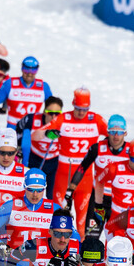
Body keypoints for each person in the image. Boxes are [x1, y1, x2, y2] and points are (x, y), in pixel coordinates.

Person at [48, 88, 108, 235]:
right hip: (63, 177)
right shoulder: (64, 118)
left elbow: (114, 139)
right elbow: (41, 134)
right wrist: (50, 133)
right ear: (73, 104)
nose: (81, 112)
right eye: (78, 109)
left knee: (82, 224)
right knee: (58, 220)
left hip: (85, 179)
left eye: (85, 109)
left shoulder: (96, 119)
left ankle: (79, 255)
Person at [63, 113, 131, 232]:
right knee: (90, 236)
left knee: (119, 241)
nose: (116, 136)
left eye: (120, 132)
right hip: (98, 200)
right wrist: (70, 191)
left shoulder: (131, 151)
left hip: (120, 202)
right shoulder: (97, 148)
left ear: (125, 133)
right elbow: (82, 168)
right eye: (112, 131)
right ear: (107, 132)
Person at [0, 56, 52, 134]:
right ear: (22, 68)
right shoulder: (10, 84)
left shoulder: (43, 87)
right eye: (26, 69)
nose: (29, 73)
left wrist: (47, 126)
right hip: (12, 130)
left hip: (32, 130)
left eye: (33, 70)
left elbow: (53, 109)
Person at [15, 96, 63, 189]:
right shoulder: (31, 119)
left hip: (54, 162)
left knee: (50, 196)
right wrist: (19, 147)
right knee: (32, 189)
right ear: (44, 112)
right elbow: (18, 128)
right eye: (50, 113)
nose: (53, 117)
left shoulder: (64, 123)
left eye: (57, 114)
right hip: (35, 159)